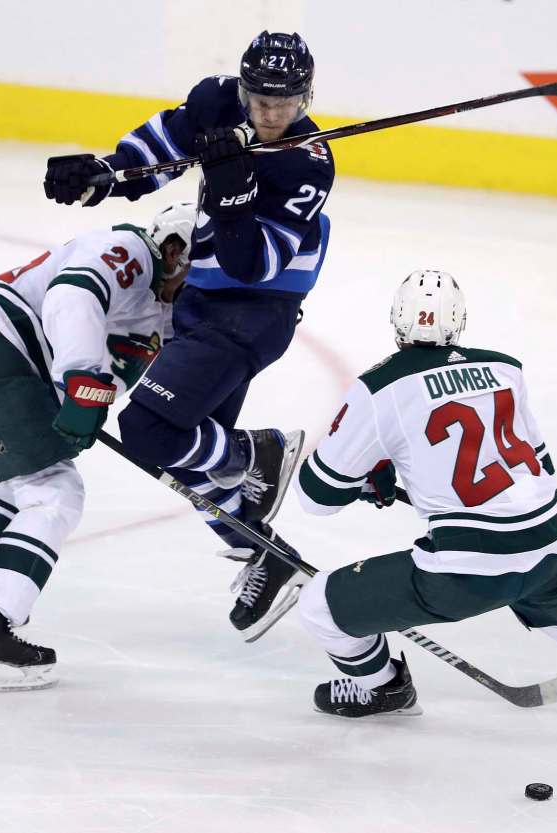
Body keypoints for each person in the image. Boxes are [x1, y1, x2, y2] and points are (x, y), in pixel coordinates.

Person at [293, 270, 557, 717]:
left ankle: (383, 689)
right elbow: (539, 464)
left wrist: (367, 474)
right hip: (550, 541)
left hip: (468, 568)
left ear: (396, 320)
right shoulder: (504, 367)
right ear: (459, 320)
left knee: (320, 604)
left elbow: (317, 498)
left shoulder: (380, 387)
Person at [42, 31, 335, 638]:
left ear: (305, 97)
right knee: (193, 454)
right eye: (259, 99)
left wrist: (233, 190)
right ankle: (266, 555)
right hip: (201, 306)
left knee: (149, 430)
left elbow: (253, 265)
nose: (270, 113)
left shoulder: (310, 164)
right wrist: (101, 174)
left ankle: (259, 454)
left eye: (283, 103)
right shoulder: (215, 103)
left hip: (253, 312)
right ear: (242, 88)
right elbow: (155, 155)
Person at [0, 203, 196, 691]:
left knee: (29, 476)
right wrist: (81, 378)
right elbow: (72, 296)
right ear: (173, 249)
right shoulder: (129, 250)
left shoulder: (158, 309)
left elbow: (117, 368)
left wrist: (83, 399)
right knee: (55, 491)